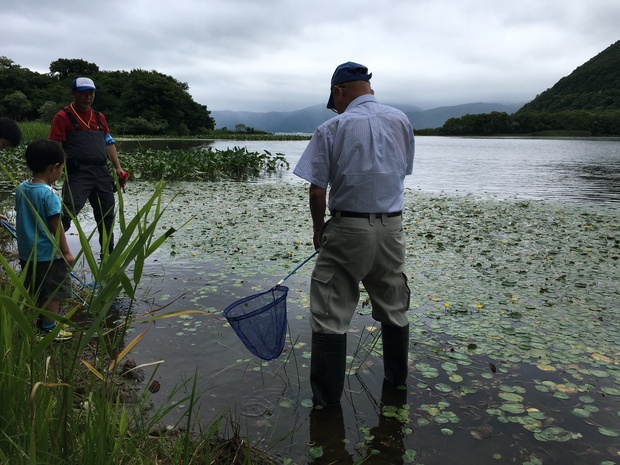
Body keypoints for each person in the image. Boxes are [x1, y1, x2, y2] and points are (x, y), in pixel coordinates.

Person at [293, 62, 415, 407]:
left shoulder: (333, 127)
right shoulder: (401, 121)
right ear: (369, 89)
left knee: (331, 313)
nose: (337, 107)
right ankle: (396, 389)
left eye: (336, 101)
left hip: (347, 228)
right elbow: (401, 172)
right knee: (394, 307)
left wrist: (319, 231)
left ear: (339, 91)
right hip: (392, 228)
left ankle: (326, 407)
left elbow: (318, 192)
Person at [49, 77, 127, 255]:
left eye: (91, 94)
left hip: (101, 172)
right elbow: (54, 147)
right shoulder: (63, 116)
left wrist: (118, 168)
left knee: (107, 217)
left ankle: (107, 257)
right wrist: (51, 175)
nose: (88, 98)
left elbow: (109, 143)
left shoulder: (99, 117)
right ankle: (51, 251)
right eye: (84, 94)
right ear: (73, 93)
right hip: (77, 173)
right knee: (66, 213)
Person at [15, 139, 74, 340]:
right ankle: (48, 329)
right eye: (61, 169)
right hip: (47, 255)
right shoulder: (49, 195)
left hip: (26, 252)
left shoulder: (22, 188)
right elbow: (56, 227)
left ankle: (42, 322)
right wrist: (66, 252)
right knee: (52, 292)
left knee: (38, 289)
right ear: (53, 168)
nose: (61, 173)